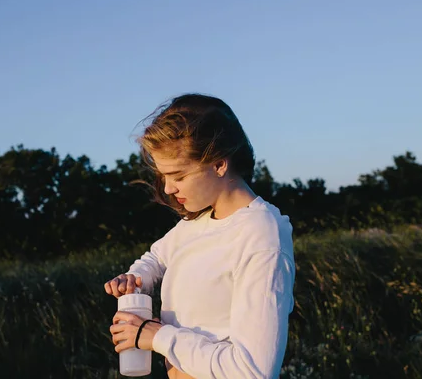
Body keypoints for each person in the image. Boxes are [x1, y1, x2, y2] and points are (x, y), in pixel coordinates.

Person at [105, 94, 296, 379]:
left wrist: (156, 337)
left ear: (219, 164)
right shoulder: (197, 221)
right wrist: (138, 277)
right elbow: (157, 256)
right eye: (164, 176)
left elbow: (253, 371)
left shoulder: (261, 236)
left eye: (178, 176)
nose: (168, 188)